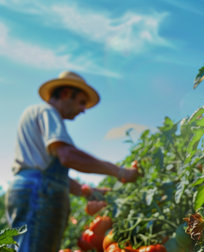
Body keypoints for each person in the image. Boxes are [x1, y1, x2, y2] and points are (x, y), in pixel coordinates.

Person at [5, 71, 139, 252]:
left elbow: (49, 173)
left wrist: (91, 192)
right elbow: (68, 156)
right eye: (82, 102)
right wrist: (119, 172)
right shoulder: (47, 112)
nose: (83, 110)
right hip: (38, 193)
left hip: (32, 189)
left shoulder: (35, 114)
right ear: (66, 93)